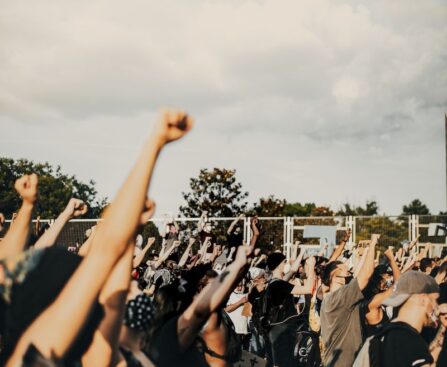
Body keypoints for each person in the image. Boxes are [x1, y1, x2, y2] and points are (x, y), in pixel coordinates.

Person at [320, 234, 379, 367]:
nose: (349, 271)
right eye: (345, 270)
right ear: (334, 274)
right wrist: (373, 244)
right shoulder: (340, 296)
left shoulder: (331, 297)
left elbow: (359, 275)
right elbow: (365, 276)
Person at [372, 271, 441, 366]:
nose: (436, 306)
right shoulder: (411, 342)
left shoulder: (385, 333)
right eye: (435, 300)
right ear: (423, 299)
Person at [263, 252, 316, 367]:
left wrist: (301, 253)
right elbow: (308, 289)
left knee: (275, 362)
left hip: (275, 329)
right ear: (278, 265)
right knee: (283, 363)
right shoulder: (279, 285)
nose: (286, 264)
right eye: (284, 262)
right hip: (282, 331)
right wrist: (311, 267)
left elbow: (292, 270)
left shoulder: (273, 282)